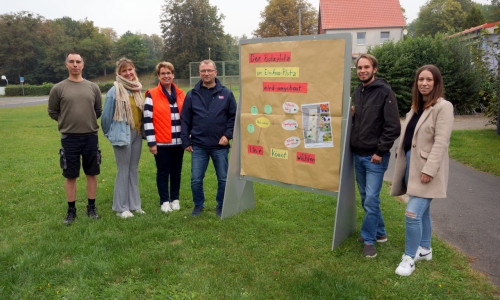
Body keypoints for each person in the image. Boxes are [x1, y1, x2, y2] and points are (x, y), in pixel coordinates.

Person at [391, 65, 454, 276]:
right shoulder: (416, 107)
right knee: (423, 211)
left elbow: (441, 141)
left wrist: (430, 169)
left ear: (436, 83)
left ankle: (409, 257)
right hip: (411, 166)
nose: (424, 83)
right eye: (421, 79)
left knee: (412, 213)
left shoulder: (443, 107)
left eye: (429, 80)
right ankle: (425, 249)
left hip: (428, 170)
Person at [351, 54, 401, 257]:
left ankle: (369, 241)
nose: (362, 70)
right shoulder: (358, 91)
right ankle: (380, 233)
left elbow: (393, 127)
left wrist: (380, 152)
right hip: (358, 155)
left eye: (366, 67)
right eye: (359, 67)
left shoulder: (385, 92)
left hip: (375, 158)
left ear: (375, 69)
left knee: (371, 199)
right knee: (366, 198)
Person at [48, 52, 102, 225]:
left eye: (78, 61)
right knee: (70, 175)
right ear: (66, 65)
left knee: (91, 173)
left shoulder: (93, 87)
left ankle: (91, 207)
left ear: (83, 65)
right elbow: (53, 111)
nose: (75, 64)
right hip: (69, 138)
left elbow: (98, 110)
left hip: (90, 137)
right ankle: (71, 210)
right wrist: (67, 122)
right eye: (71, 62)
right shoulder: (58, 88)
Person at [181, 59, 237, 217]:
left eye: (209, 70)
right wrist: (185, 141)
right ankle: (198, 205)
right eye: (203, 71)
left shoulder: (226, 94)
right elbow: (185, 119)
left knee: (223, 179)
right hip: (198, 145)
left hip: (220, 145)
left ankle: (221, 205)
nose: (206, 73)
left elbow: (234, 117)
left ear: (215, 72)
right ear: (199, 73)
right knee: (196, 179)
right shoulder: (192, 94)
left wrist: (227, 135)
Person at [101, 58, 145, 218]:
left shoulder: (137, 89)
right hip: (122, 136)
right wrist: (111, 135)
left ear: (134, 70)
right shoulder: (115, 90)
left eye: (130, 69)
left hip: (137, 134)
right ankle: (121, 208)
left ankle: (135, 205)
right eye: (124, 71)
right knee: (123, 170)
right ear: (119, 74)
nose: (128, 73)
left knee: (133, 170)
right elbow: (105, 118)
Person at [144, 62, 186, 213]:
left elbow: (187, 118)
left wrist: (187, 139)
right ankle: (164, 201)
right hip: (161, 143)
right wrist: (152, 142)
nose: (166, 75)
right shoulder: (152, 94)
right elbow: (147, 119)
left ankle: (175, 199)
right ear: (158, 76)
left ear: (173, 75)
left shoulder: (181, 94)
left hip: (178, 142)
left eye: (169, 73)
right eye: (163, 73)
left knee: (176, 172)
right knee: (163, 172)